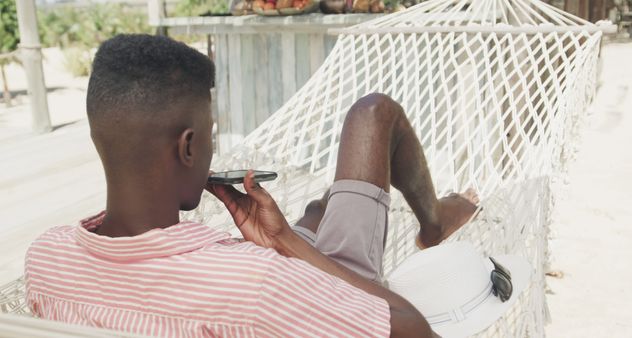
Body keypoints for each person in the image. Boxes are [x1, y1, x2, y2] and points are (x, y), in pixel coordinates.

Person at [24, 34, 477, 337]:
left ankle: (318, 217)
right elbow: (415, 330)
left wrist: (277, 243)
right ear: (188, 148)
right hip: (309, 299)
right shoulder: (252, 283)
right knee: (374, 113)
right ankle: (432, 223)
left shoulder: (47, 259)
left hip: (253, 281)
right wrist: (286, 246)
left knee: (320, 210)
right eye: (210, 137)